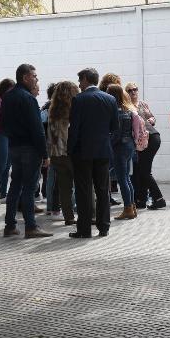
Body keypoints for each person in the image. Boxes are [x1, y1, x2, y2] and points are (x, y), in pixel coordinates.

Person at [2, 64, 52, 239]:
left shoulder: (7, 97)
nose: (37, 79)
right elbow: (37, 128)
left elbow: (4, 124)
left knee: (15, 185)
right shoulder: (28, 98)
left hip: (14, 147)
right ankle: (31, 226)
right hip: (30, 149)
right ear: (25, 78)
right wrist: (45, 154)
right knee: (29, 189)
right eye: (34, 76)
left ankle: (10, 226)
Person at [68, 68, 119, 238]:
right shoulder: (110, 99)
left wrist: (70, 150)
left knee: (84, 191)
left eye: (80, 80)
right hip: (103, 151)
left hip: (82, 151)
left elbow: (74, 129)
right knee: (103, 189)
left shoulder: (79, 99)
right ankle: (104, 227)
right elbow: (114, 127)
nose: (79, 84)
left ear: (85, 79)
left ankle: (84, 229)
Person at [126, 82, 166, 210]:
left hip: (149, 138)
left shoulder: (141, 104)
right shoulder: (127, 106)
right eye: (130, 90)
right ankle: (141, 200)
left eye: (135, 89)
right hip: (144, 140)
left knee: (144, 171)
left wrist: (151, 120)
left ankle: (159, 199)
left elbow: (151, 117)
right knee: (141, 170)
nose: (133, 92)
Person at [107, 84, 143, 220]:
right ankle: (132, 207)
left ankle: (128, 208)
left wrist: (108, 144)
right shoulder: (127, 110)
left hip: (120, 148)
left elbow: (115, 134)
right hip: (129, 146)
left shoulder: (116, 112)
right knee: (127, 178)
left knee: (122, 179)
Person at [48, 81, 80, 225]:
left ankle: (69, 217)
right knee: (82, 185)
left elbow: (49, 135)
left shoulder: (53, 111)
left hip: (56, 154)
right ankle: (89, 214)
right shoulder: (74, 110)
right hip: (71, 154)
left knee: (64, 188)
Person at [98, 72, 123, 206]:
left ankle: (107, 196)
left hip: (104, 136)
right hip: (108, 137)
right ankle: (106, 197)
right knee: (105, 170)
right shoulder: (109, 98)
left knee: (106, 171)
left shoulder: (101, 95)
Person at [42, 83, 60, 215]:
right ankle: (52, 206)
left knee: (50, 177)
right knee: (53, 176)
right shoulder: (54, 108)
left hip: (49, 145)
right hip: (54, 146)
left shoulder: (45, 108)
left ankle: (50, 206)